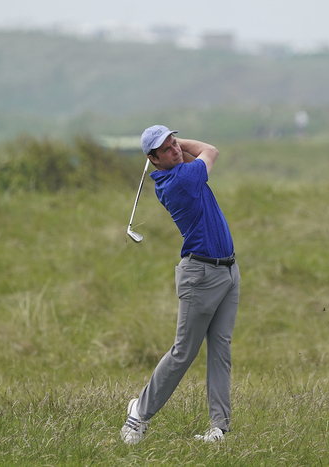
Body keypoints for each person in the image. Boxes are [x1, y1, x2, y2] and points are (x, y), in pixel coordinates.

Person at [121, 125, 240, 445]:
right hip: (200, 276)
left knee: (220, 350)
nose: (175, 150)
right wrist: (183, 144)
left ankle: (220, 428)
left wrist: (173, 145)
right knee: (183, 353)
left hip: (228, 271)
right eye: (166, 148)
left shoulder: (179, 170)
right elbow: (210, 151)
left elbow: (191, 157)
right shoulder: (179, 181)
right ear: (153, 160)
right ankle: (138, 416)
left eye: (174, 143)